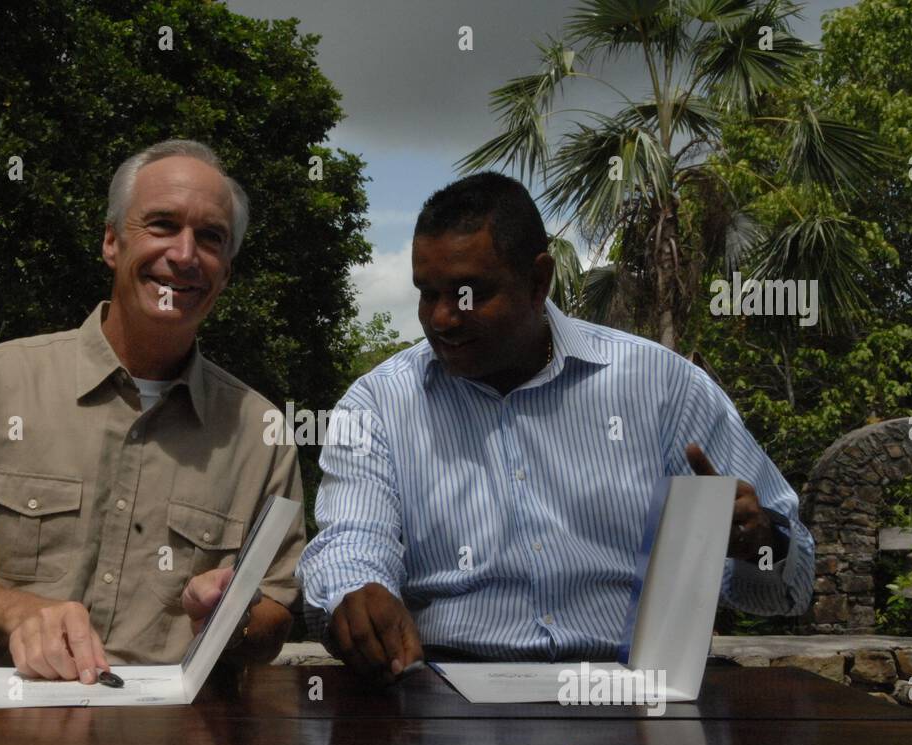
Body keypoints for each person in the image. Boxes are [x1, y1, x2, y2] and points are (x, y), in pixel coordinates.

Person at [297, 172, 814, 684]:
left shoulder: (663, 387)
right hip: (447, 698)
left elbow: (791, 592)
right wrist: (356, 590)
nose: (442, 318)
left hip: (641, 697)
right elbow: (352, 539)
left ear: (539, 281)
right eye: (427, 294)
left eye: (468, 293)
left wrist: (763, 543)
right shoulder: (378, 406)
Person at [0, 139, 304, 684]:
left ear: (226, 270)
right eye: (161, 225)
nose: (183, 254)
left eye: (210, 237)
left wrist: (233, 617)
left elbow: (274, 614)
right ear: (111, 241)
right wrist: (23, 614)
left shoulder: (262, 433)